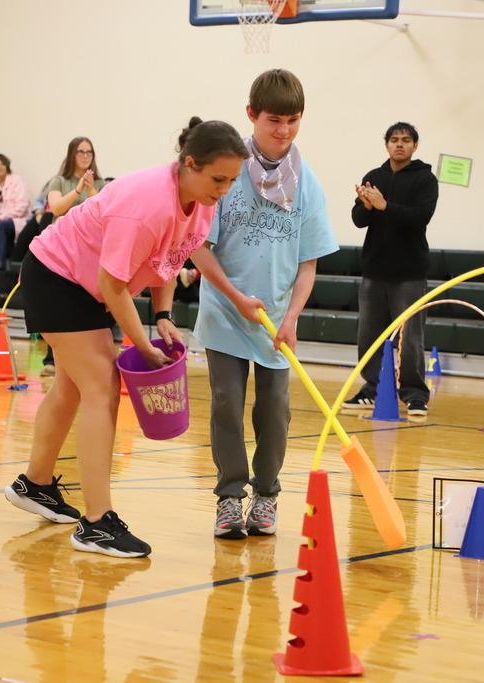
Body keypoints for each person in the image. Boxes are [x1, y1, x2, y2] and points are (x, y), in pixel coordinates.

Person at [3, 117, 247, 558]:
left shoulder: (202, 199)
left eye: (231, 180)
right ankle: (96, 525)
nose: (224, 188)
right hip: (57, 276)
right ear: (190, 164)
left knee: (73, 386)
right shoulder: (146, 202)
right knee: (102, 387)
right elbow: (113, 285)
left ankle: (35, 484)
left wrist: (163, 314)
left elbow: (173, 257)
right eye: (218, 178)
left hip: (85, 282)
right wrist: (144, 343)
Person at [191, 69, 339, 540]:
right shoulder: (227, 171)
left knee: (274, 408)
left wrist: (291, 317)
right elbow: (199, 247)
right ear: (251, 115)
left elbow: (309, 263)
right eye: (274, 120)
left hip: (275, 320)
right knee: (225, 404)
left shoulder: (307, 183)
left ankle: (267, 494)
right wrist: (233, 297)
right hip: (224, 312)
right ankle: (230, 498)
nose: (284, 131)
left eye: (293, 121)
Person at [342, 122, 439, 417]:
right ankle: (372, 389)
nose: (400, 144)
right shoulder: (374, 177)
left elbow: (420, 218)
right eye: (394, 140)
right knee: (369, 336)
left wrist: (384, 206)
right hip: (373, 272)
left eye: (406, 140)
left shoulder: (425, 179)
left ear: (414, 146)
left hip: (409, 274)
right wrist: (367, 207)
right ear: (386, 145)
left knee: (409, 338)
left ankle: (414, 395)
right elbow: (359, 220)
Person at [13, 138, 108, 377]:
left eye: (89, 152)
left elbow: (103, 212)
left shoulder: (101, 183)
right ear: (72, 155)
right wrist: (77, 190)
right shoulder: (59, 181)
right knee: (58, 305)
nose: (86, 156)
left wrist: (90, 189)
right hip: (61, 251)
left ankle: (84, 359)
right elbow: (56, 209)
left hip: (89, 253)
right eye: (81, 152)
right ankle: (51, 359)